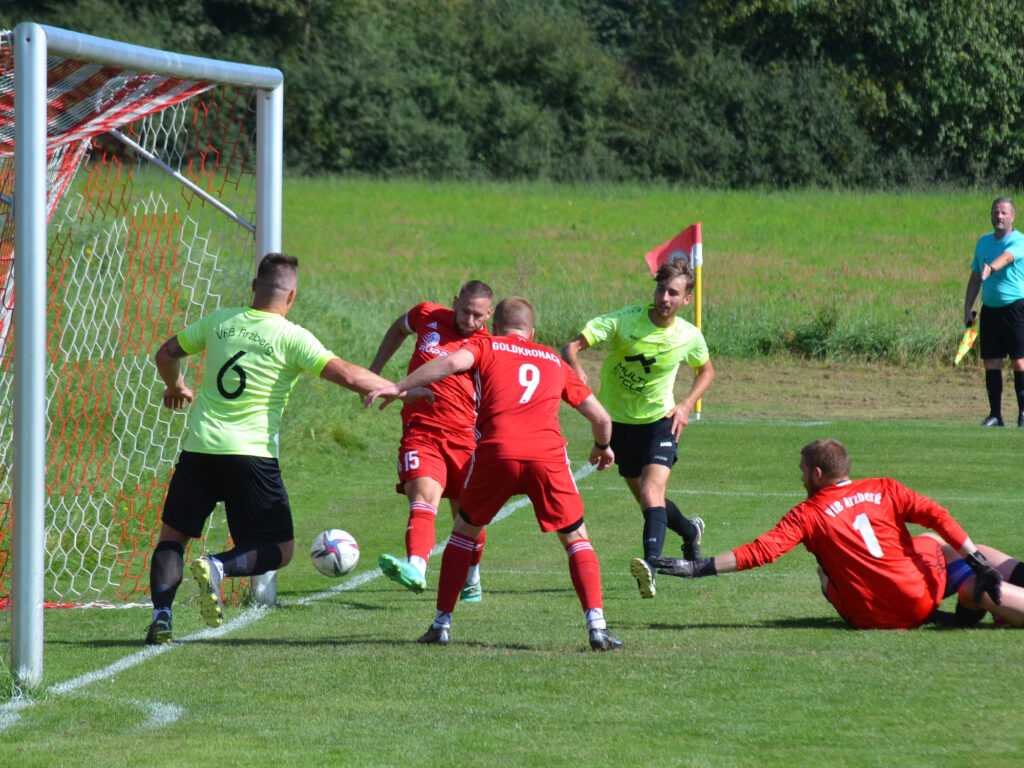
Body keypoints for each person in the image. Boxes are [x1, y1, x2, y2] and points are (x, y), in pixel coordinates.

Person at [144, 252, 418, 645]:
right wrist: (398, 388)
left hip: (200, 450)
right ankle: (218, 567)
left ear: (254, 287)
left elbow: (165, 354)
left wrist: (176, 386)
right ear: (291, 297)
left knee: (173, 538)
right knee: (280, 549)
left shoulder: (219, 321)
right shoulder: (291, 336)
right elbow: (346, 373)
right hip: (251, 455)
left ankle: (162, 616)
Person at [366, 297, 624, 651]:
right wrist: (602, 446)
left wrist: (399, 386)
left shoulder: (486, 345)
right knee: (576, 537)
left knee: (463, 532)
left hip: (496, 452)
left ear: (496, 325)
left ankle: (441, 624)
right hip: (546, 457)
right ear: (532, 332)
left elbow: (450, 362)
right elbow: (601, 419)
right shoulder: (553, 359)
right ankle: (597, 627)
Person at [650, 438, 1024, 630]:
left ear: (816, 474)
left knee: (825, 572)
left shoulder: (807, 514)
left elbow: (761, 551)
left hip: (869, 616)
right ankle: (1006, 579)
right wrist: (977, 560)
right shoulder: (884, 487)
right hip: (920, 600)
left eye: (801, 470)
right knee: (939, 545)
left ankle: (980, 595)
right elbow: (938, 516)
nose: (799, 477)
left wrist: (697, 568)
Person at [561, 258, 714, 600]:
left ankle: (651, 566)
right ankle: (690, 531)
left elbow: (706, 371)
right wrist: (576, 369)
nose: (665, 298)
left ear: (686, 299)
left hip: (661, 423)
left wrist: (686, 405)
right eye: (661, 289)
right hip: (617, 425)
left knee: (651, 494)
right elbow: (571, 345)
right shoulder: (624, 320)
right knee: (649, 502)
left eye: (674, 293)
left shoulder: (689, 335)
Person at [368, 281, 494, 600]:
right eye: (464, 310)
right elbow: (399, 328)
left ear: (489, 314)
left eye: (477, 315)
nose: (468, 320)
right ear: (454, 302)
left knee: (466, 518)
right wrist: (375, 372)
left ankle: (472, 578)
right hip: (422, 430)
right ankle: (416, 569)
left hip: (467, 439)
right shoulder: (427, 314)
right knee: (423, 499)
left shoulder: (489, 345)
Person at [963, 197, 1024, 427]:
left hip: (1016, 309)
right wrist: (968, 307)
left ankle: (1023, 414)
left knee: (1019, 363)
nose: (999, 217)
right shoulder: (983, 243)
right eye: (996, 213)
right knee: (991, 362)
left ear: (1012, 217)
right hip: (990, 311)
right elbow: (974, 277)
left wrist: (991, 268)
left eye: (1004, 213)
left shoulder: (1019, 241)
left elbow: (1007, 258)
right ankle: (995, 415)